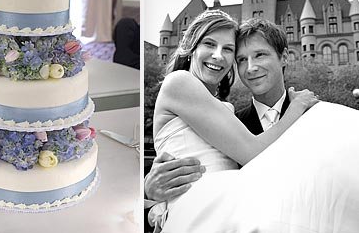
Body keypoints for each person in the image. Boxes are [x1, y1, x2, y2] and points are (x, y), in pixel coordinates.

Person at [145, 17, 359, 232]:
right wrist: (150, 193)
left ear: (284, 57)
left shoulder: (316, 115)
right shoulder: (232, 121)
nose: (251, 67)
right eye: (242, 59)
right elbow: (248, 155)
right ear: (191, 48)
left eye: (259, 55)